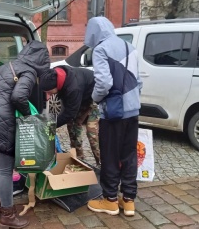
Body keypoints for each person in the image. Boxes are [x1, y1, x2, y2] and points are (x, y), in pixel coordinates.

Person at [0, 40, 50, 229]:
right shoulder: (29, 71)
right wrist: (28, 116)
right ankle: (8, 215)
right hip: (2, 125)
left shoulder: (4, 67)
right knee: (6, 172)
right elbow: (18, 97)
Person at [85, 17, 142, 217]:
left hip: (113, 113)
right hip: (133, 111)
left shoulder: (100, 50)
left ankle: (109, 200)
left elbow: (103, 84)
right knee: (129, 156)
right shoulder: (129, 47)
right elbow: (139, 81)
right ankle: (128, 201)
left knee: (110, 156)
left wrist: (95, 99)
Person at [39, 66, 101, 166]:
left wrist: (51, 126)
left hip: (94, 99)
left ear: (57, 86)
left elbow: (69, 113)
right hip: (79, 99)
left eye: (50, 92)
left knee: (91, 131)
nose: (48, 97)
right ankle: (78, 159)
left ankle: (102, 163)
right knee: (72, 126)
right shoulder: (54, 76)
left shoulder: (73, 88)